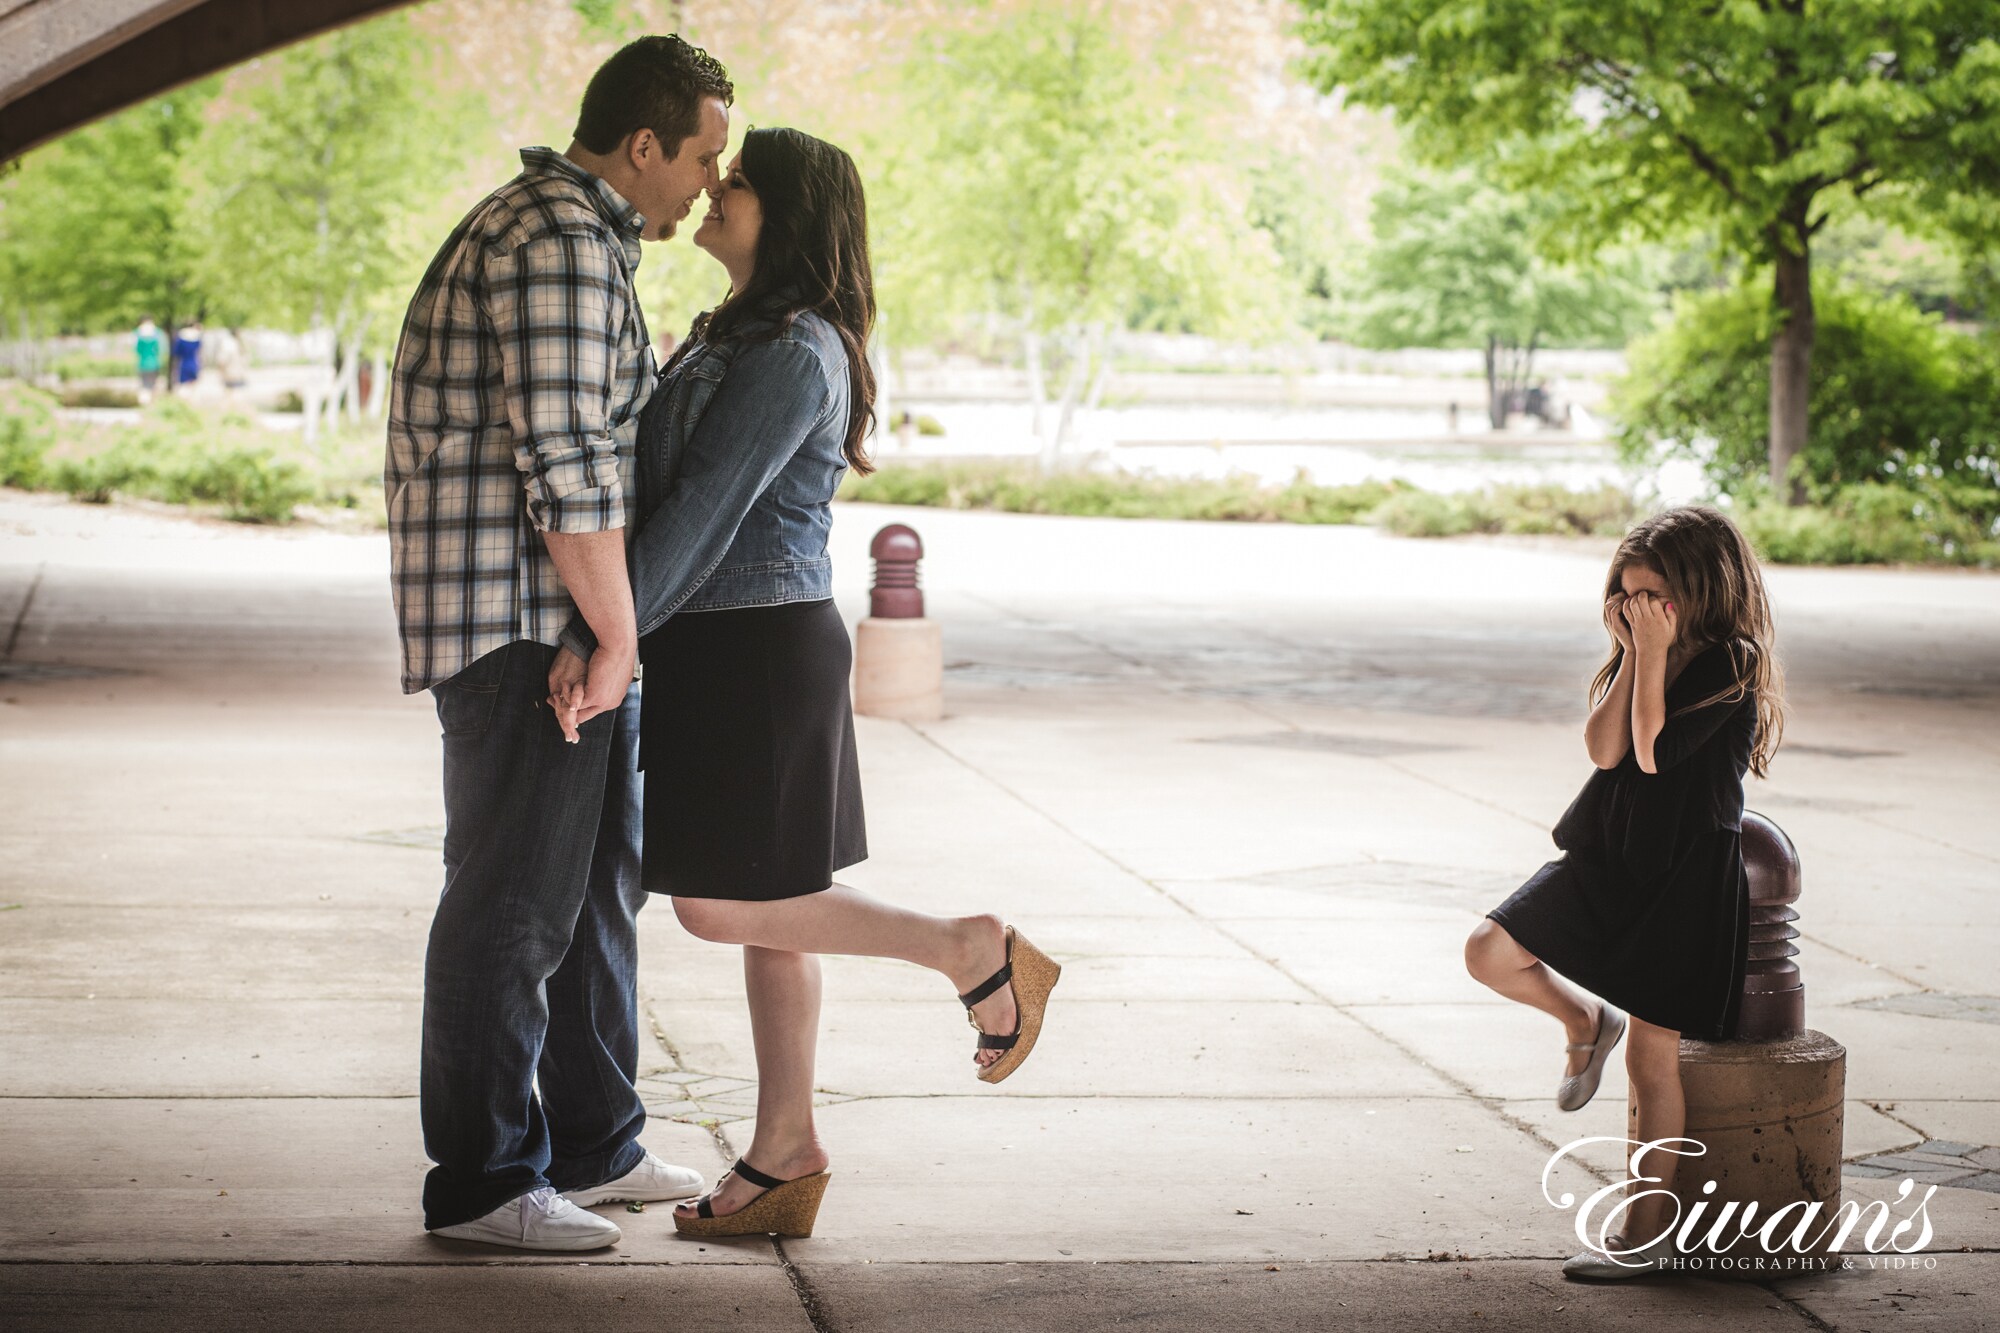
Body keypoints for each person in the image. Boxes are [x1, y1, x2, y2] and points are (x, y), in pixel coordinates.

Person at [549, 127, 1061, 1241]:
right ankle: (784, 1152)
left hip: (756, 650)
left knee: (715, 903)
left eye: (738, 182)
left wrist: (610, 633)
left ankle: (966, 946)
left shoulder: (792, 351)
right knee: (776, 914)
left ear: (789, 214)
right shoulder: (738, 334)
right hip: (732, 643)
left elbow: (703, 511)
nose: (715, 192)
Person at [383, 34, 734, 1253]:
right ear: (642, 145)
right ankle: (482, 1183)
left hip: (561, 618)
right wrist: (617, 634)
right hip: (526, 625)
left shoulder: (584, 240)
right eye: (700, 156)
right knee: (512, 907)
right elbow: (566, 461)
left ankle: (594, 1146)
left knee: (590, 898)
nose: (704, 184)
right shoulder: (556, 241)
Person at [1463, 506, 1785, 1280]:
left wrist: (1654, 652)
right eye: (1627, 596)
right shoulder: (1645, 651)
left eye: (1654, 598)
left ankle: (1646, 1236)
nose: (1639, 611)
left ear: (1700, 591)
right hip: (1610, 853)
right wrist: (1636, 653)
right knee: (1489, 949)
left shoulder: (1730, 662)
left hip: (1683, 875)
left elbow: (1653, 752)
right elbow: (1606, 746)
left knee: (1653, 1058)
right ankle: (1583, 1017)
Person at [134, 318, 163, 402]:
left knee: (143, 385)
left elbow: (137, 350)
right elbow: (158, 349)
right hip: (154, 363)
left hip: (142, 363)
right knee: (153, 385)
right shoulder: (156, 334)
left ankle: (144, 402)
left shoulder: (139, 334)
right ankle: (151, 403)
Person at [171, 319, 203, 388]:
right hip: (194, 362)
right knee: (192, 385)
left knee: (184, 385)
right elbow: (199, 351)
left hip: (183, 363)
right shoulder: (197, 336)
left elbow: (176, 352)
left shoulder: (181, 336)